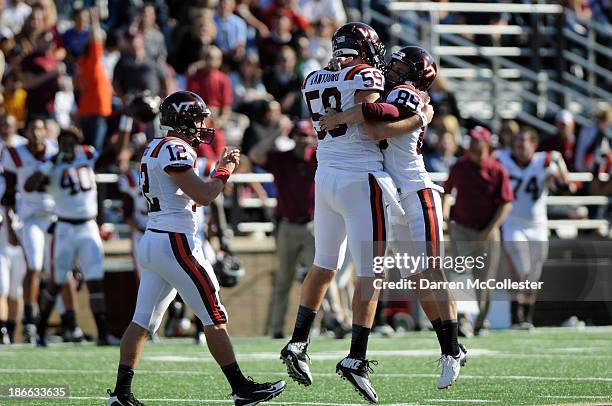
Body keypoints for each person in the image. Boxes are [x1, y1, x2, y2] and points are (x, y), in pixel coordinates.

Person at [106, 90, 286, 406]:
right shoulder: (175, 148)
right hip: (175, 241)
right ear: (185, 120)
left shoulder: (154, 146)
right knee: (213, 314)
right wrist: (224, 170)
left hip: (155, 238)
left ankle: (121, 394)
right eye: (199, 118)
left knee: (142, 322)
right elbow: (203, 194)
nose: (203, 124)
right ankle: (241, 388)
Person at [279, 23, 422, 403]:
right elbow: (375, 118)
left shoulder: (313, 77)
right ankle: (356, 357)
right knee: (371, 273)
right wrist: (418, 114)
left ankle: (297, 342)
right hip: (361, 178)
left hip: (325, 177)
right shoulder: (366, 73)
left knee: (323, 265)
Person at [320, 45, 466, 389]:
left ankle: (452, 349)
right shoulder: (397, 91)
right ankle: (449, 346)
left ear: (415, 75)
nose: (392, 70)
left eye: (400, 67)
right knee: (417, 279)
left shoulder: (406, 93)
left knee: (432, 271)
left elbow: (376, 125)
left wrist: (341, 117)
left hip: (417, 191)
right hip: (394, 196)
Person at [25, 127, 112, 346]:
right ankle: (41, 330)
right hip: (64, 229)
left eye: (71, 141)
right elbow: (29, 186)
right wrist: (51, 164)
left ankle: (102, 333)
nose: (67, 145)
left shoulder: (88, 156)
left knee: (95, 280)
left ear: (77, 143)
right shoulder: (51, 165)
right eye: (63, 141)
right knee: (56, 282)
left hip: (89, 226)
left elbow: (113, 155)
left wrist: (125, 125)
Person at [249, 119, 318, 339]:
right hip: (287, 225)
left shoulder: (318, 157)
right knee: (283, 281)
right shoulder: (282, 159)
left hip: (312, 225)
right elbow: (255, 155)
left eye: (306, 136)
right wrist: (277, 132)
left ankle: (320, 326)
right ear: (292, 137)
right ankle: (277, 328)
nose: (302, 140)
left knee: (318, 278)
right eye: (298, 135)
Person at [442, 126, 514, 336]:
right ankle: (463, 321)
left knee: (484, 280)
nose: (473, 144)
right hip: (462, 228)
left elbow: (506, 203)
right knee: (460, 274)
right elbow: (446, 192)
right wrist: (445, 217)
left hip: (487, 231)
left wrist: (490, 230)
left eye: (477, 140)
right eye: (471, 140)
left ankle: (481, 321)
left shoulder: (496, 169)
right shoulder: (459, 166)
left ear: (486, 143)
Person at [498, 128, 570, 329]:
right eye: (518, 140)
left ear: (534, 144)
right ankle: (515, 316)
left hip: (537, 223)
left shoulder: (544, 161)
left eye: (525, 140)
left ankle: (526, 317)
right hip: (513, 222)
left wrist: (560, 166)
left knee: (534, 275)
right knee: (522, 269)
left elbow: (563, 186)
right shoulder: (502, 158)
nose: (520, 144)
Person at [0, 118, 57, 343]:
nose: (36, 133)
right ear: (25, 131)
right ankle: (30, 318)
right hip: (30, 217)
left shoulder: (55, 148)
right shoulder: (14, 153)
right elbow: (11, 192)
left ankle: (64, 321)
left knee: (58, 271)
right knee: (33, 265)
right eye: (32, 128)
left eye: (40, 128)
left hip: (55, 215)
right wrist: (12, 223)